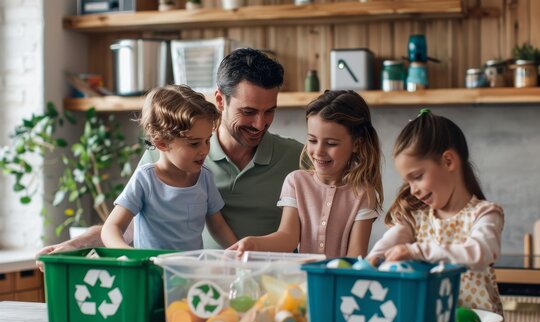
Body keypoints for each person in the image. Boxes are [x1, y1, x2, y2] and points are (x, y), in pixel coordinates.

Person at [36, 48, 303, 265]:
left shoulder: (296, 157)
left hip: (267, 287)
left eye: (269, 111)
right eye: (248, 111)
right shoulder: (160, 157)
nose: (260, 124)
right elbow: (126, 226)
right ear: (220, 101)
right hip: (190, 283)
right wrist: (73, 246)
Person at [367, 109, 504, 314]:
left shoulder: (484, 214)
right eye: (408, 181)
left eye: (417, 176)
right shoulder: (415, 218)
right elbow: (387, 244)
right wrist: (371, 262)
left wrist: (416, 251)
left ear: (448, 161)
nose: (412, 190)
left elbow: (480, 253)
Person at [229, 90, 383, 258]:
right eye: (312, 140)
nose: (319, 151)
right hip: (302, 281)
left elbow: (356, 254)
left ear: (357, 144)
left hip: (341, 280)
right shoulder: (296, 182)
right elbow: (288, 238)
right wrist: (254, 243)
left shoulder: (363, 194)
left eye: (331, 143)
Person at [101, 84, 237, 250]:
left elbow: (218, 228)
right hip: (152, 271)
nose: (204, 150)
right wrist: (128, 254)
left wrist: (240, 256)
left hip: (190, 272)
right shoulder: (145, 179)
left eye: (207, 140)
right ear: (161, 143)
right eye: (194, 144)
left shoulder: (205, 178)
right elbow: (111, 228)